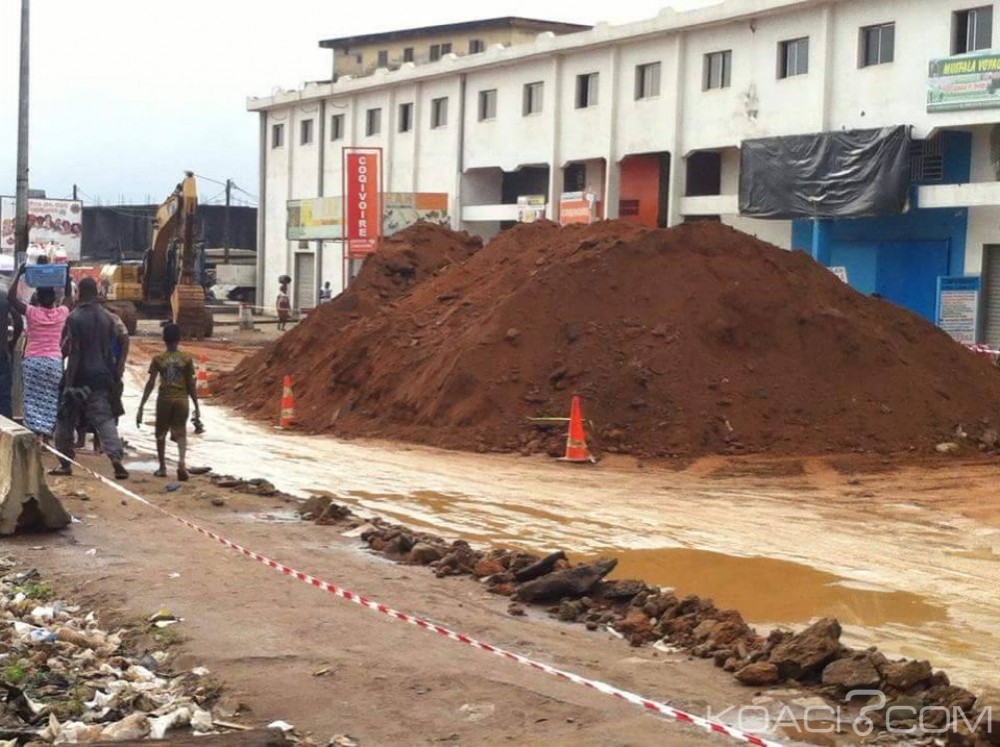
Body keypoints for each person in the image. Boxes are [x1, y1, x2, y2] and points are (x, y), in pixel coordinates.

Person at [51, 277, 129, 480]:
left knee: (64, 418)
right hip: (102, 376)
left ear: (80, 293)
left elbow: (74, 351)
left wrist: (68, 383)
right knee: (104, 419)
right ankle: (116, 459)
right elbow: (122, 340)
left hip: (80, 377)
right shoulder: (108, 317)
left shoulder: (74, 317)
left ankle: (65, 463)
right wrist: (117, 371)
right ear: (95, 292)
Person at [8, 263, 73, 437]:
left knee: (31, 398)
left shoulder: (32, 313)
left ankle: (34, 435)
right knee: (50, 398)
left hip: (33, 361)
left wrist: (19, 275)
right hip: (53, 362)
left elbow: (12, 299)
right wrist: (66, 276)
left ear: (38, 297)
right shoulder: (61, 313)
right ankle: (47, 435)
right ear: (53, 300)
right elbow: (69, 298)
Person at [136, 323, 200, 481]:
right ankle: (181, 463)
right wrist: (197, 406)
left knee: (160, 433)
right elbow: (191, 384)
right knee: (181, 432)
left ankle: (163, 467)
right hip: (181, 399)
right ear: (179, 339)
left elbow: (150, 383)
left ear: (164, 339)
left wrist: (141, 406)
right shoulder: (186, 359)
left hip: (164, 399)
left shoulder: (158, 359)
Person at [0, 281, 24, 420]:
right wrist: (11, 343)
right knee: (4, 397)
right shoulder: (3, 297)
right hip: (2, 352)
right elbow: (18, 322)